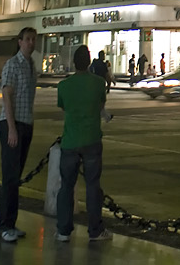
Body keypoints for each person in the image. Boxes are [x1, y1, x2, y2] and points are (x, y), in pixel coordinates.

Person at [55, 45, 113, 245]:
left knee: (66, 187)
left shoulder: (63, 86)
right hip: (91, 140)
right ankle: (95, 229)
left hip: (70, 141)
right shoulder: (98, 84)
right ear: (89, 62)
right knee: (92, 186)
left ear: (74, 62)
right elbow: (100, 105)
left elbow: (63, 106)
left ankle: (63, 230)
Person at [0, 27, 37, 244]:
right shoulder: (13, 64)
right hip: (13, 125)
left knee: (15, 177)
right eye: (27, 39)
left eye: (33, 40)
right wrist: (11, 127)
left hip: (26, 123)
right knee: (10, 177)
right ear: (19, 42)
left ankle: (8, 222)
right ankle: (4, 225)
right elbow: (7, 97)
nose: (31, 43)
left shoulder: (31, 66)